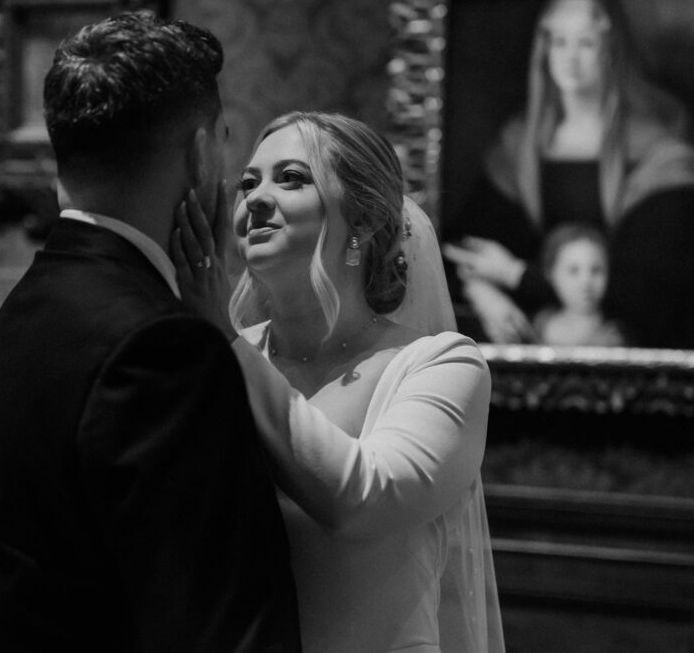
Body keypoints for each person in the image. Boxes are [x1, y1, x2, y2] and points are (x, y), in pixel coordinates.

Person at [0, 14, 301, 652]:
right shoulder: (164, 350)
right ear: (201, 150)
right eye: (224, 142)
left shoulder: (20, 315)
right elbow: (224, 626)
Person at [172, 111, 504, 653]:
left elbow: (363, 500)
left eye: (292, 178)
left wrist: (223, 341)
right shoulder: (217, 359)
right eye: (248, 182)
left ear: (364, 222)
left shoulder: (441, 367)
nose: (254, 198)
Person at [446, 0, 694, 349]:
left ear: (611, 50)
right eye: (559, 42)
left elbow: (648, 286)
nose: (571, 59)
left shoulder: (660, 150)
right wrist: (481, 290)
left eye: (586, 43)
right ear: (543, 50)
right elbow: (464, 245)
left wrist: (515, 275)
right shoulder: (519, 144)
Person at [533, 222, 625, 346]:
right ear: (550, 274)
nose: (586, 282)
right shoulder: (539, 325)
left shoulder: (614, 336)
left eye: (596, 270)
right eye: (573, 270)